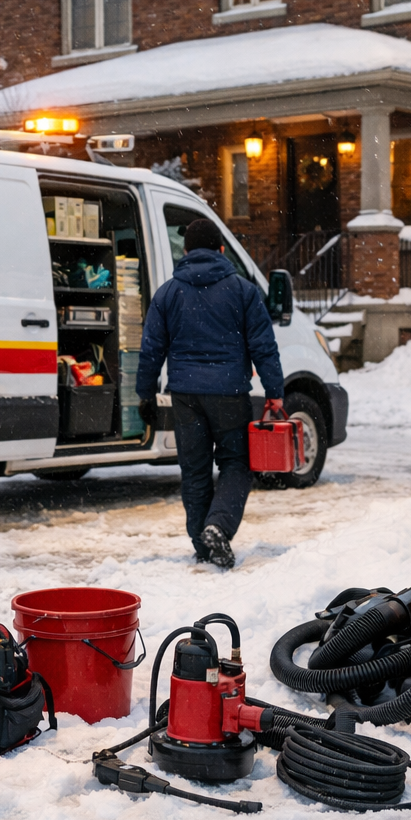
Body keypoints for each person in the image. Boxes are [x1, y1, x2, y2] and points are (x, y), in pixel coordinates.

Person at [135, 218, 283, 569]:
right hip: (230, 392)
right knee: (236, 464)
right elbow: (264, 345)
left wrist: (144, 394)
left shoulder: (168, 293)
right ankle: (217, 526)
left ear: (185, 252)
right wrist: (275, 391)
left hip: (185, 395)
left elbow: (151, 349)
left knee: (195, 469)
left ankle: (201, 543)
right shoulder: (243, 290)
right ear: (221, 249)